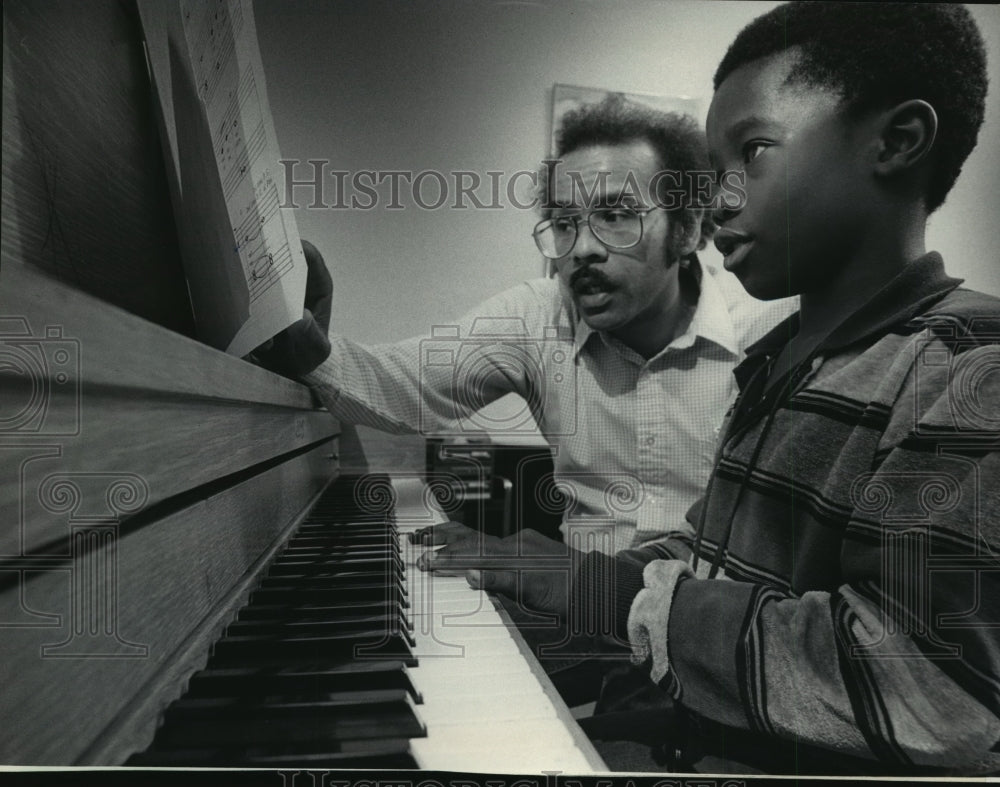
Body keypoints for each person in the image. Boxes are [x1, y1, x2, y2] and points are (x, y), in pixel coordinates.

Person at [429, 1, 1000, 775]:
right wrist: (550, 571)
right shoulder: (777, 354)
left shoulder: (969, 365)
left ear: (897, 142)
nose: (716, 198)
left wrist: (610, 596)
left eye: (754, 151)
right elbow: (712, 559)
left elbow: (926, 685)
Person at [272, 96, 792, 559]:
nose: (582, 248)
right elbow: (407, 384)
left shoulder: (771, 329)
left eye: (615, 215)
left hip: (714, 638)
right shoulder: (542, 315)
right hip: (585, 621)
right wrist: (307, 345)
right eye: (565, 223)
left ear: (688, 228)